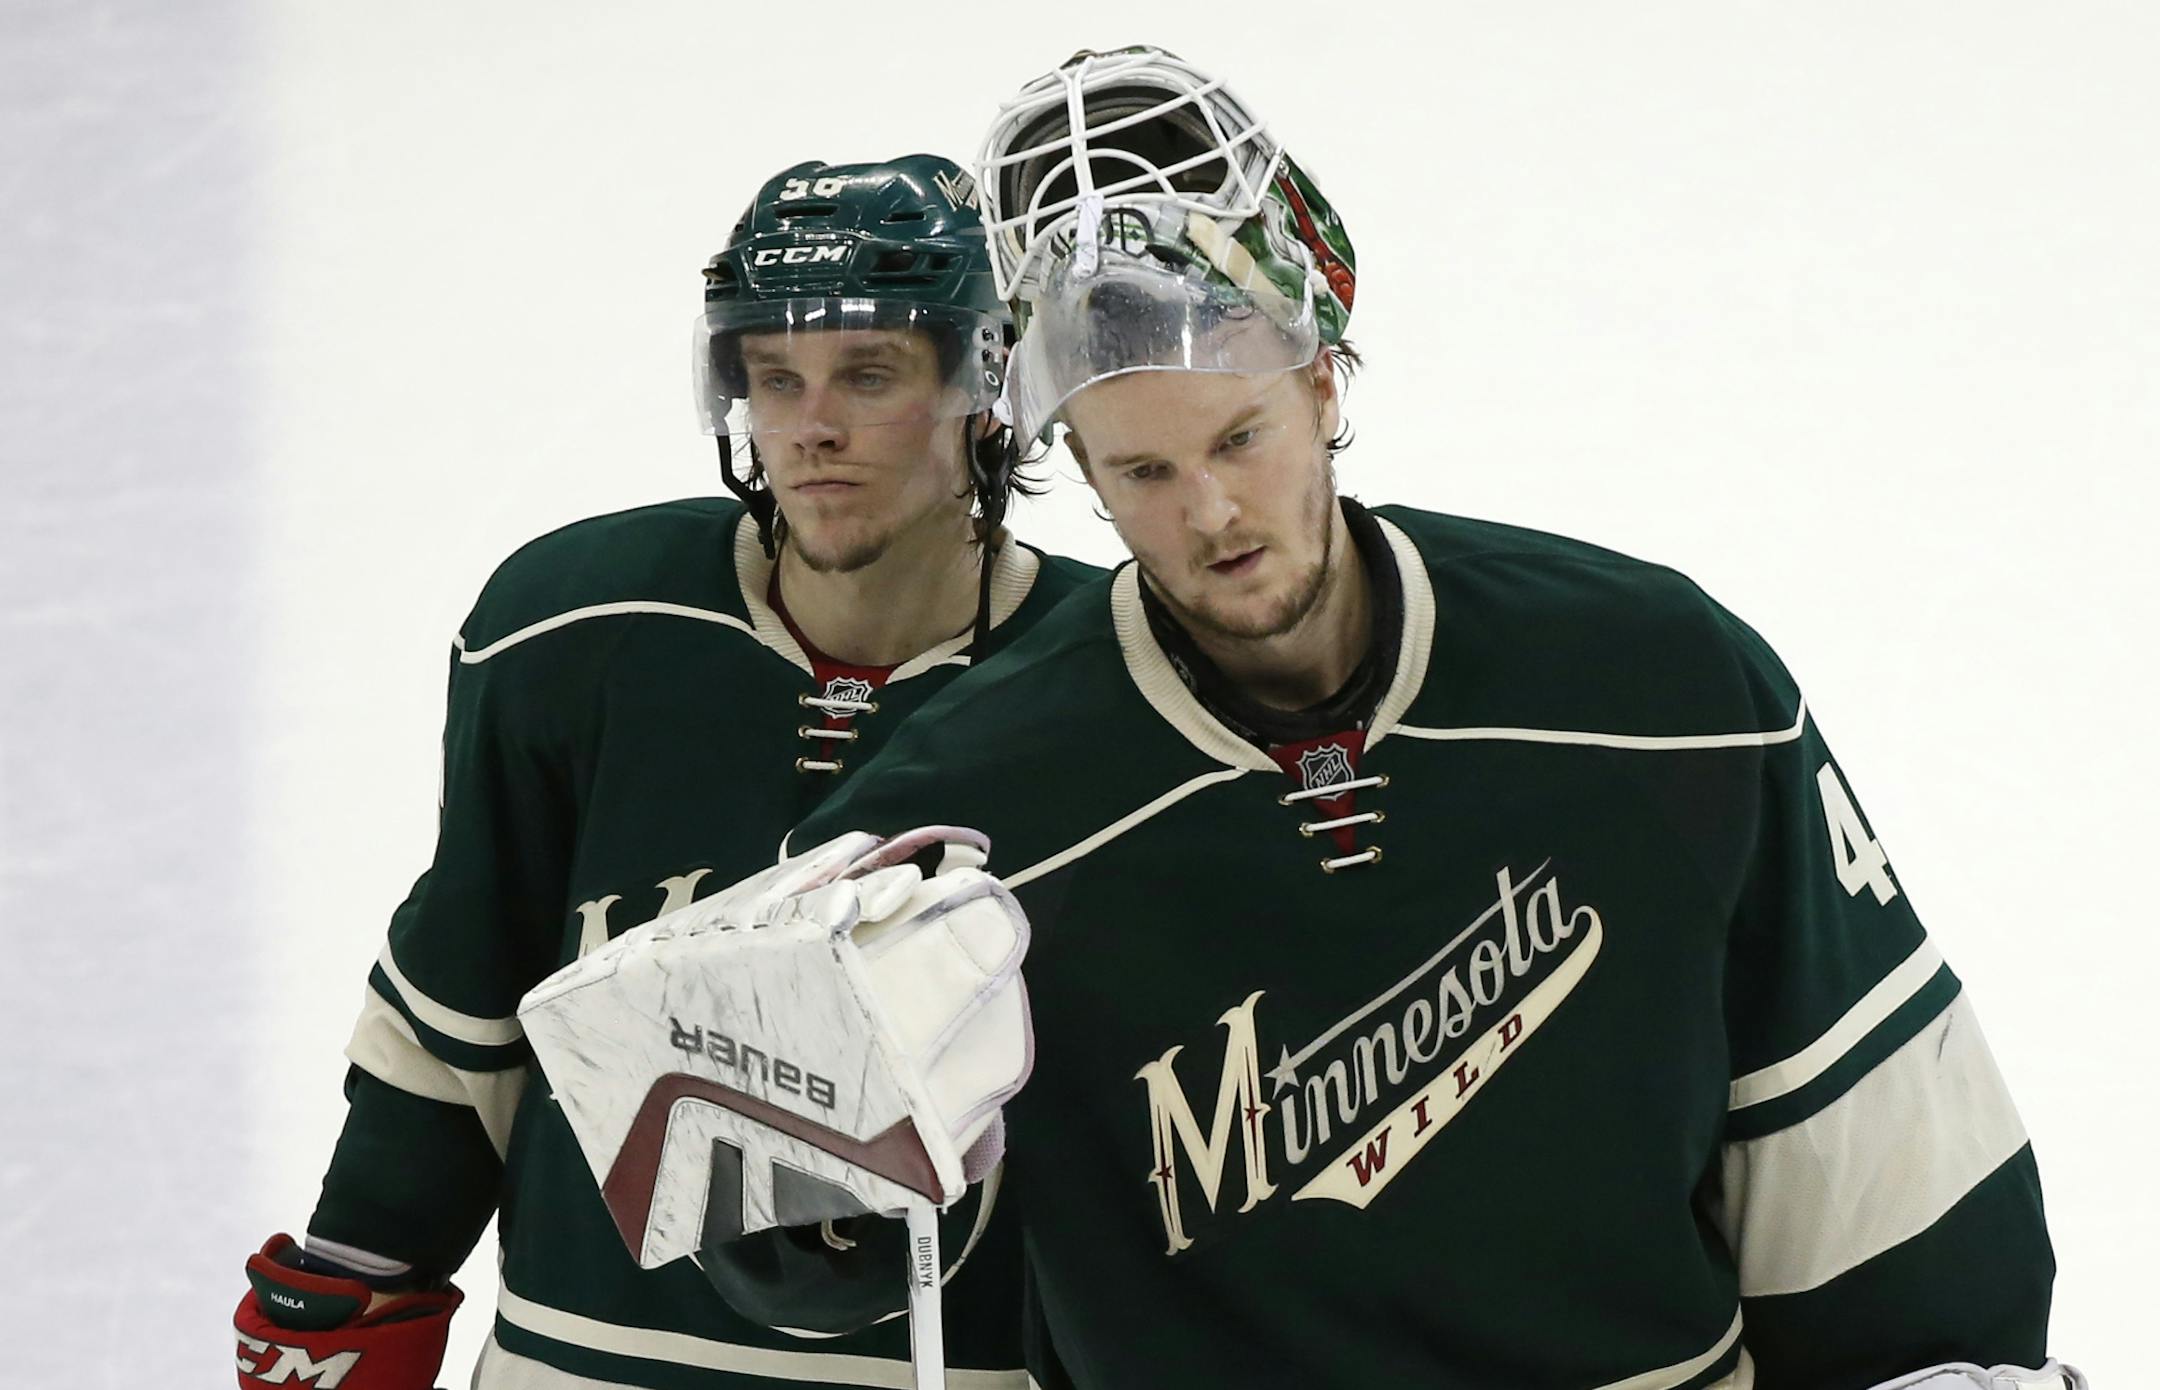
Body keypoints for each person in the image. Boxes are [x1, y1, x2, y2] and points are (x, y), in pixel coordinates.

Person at [552, 49, 2082, 1390]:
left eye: (1242, 435)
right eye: (1139, 472)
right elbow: (821, 1279)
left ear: (1326, 376)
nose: (1211, 513)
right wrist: (808, 1182)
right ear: (1066, 456)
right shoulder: (967, 813)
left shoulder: (1661, 684)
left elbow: (1870, 1149)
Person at [233, 153, 1102, 1390]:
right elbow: (463, 1006)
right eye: (774, 376)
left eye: (870, 373)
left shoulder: (1099, 684)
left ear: (986, 385)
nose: (814, 425)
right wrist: (356, 1281)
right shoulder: (575, 634)